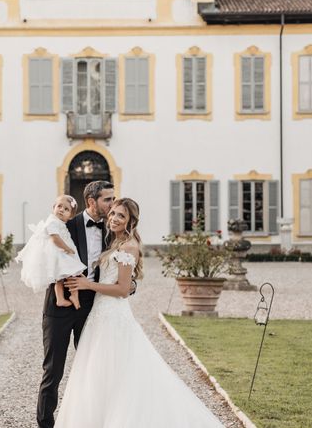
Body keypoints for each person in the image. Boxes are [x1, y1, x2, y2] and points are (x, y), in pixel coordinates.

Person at [56, 198, 225, 428]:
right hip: (101, 314)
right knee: (98, 373)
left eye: (121, 216)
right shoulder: (116, 241)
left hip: (113, 315)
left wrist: (88, 285)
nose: (114, 218)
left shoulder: (128, 247)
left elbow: (123, 290)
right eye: (113, 213)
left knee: (113, 373)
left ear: (131, 221)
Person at [36, 180, 114, 428]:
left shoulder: (113, 230)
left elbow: (124, 268)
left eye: (113, 199)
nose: (113, 204)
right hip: (58, 306)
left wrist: (129, 287)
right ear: (92, 202)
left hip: (92, 306)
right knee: (53, 371)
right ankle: (45, 423)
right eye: (108, 199)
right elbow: (46, 256)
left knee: (92, 367)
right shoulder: (65, 223)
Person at [15, 194, 88, 309]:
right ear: (53, 207)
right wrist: (67, 248)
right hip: (59, 251)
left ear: (70, 216)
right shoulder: (52, 222)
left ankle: (60, 299)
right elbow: (55, 239)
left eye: (66, 209)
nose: (61, 210)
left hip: (61, 251)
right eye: (59, 206)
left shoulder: (59, 222)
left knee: (59, 278)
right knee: (71, 272)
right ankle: (74, 296)